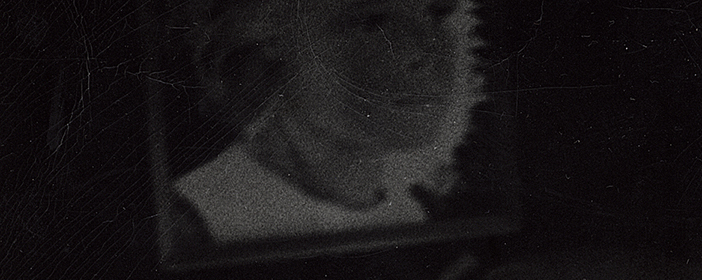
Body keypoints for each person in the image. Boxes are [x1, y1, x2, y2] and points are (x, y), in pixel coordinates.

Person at [169, 0, 488, 250]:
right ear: (270, 43)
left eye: (437, 12)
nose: (425, 51)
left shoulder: (419, 213)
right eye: (372, 21)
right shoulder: (198, 218)